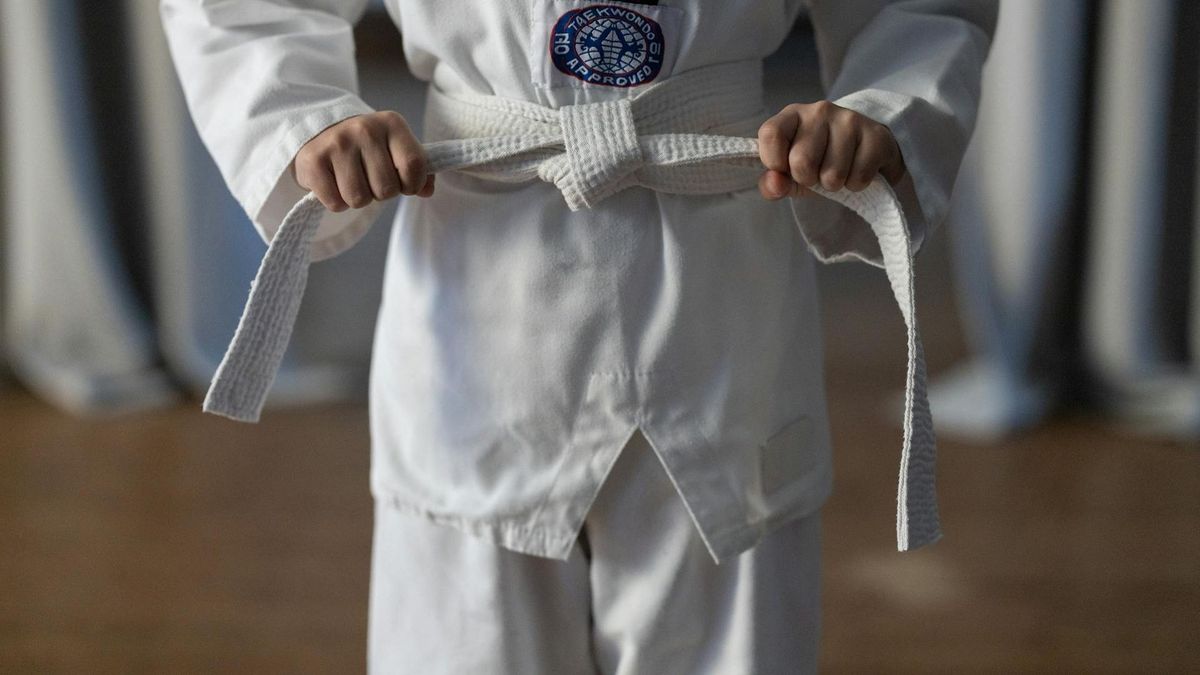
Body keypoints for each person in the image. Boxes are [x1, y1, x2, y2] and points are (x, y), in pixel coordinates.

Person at [160, 1, 997, 672]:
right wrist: (300, 122)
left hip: (719, 301)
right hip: (485, 302)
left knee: (732, 630)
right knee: (462, 640)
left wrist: (875, 115)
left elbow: (917, 12)